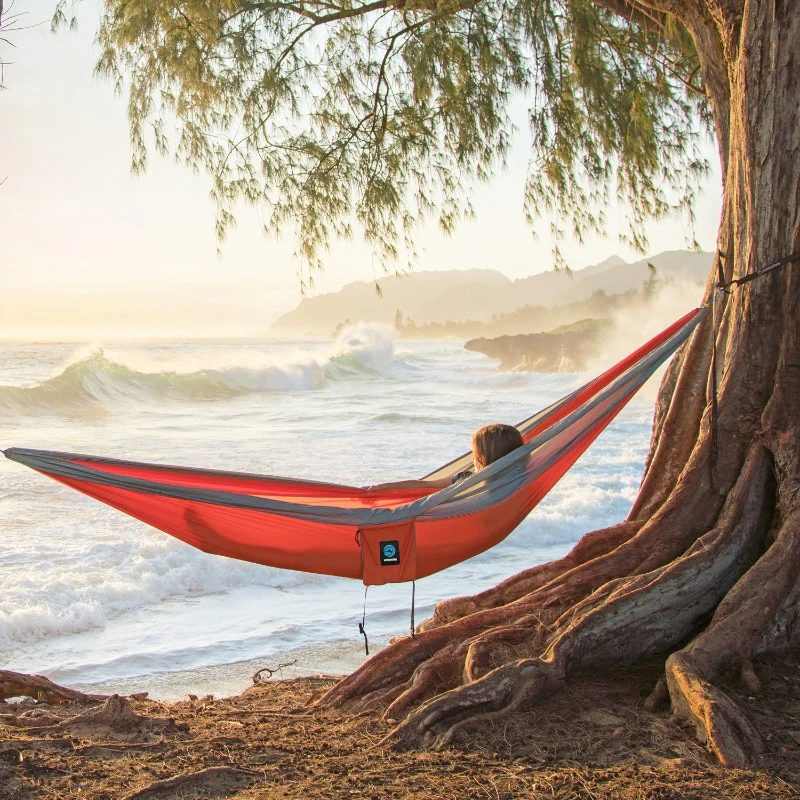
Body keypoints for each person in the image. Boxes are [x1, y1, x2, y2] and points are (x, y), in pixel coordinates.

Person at [366, 423, 524, 492]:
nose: (472, 459)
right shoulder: (520, 479)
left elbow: (427, 485)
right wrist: (385, 487)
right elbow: (425, 485)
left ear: (486, 456)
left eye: (475, 454)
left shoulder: (466, 480)